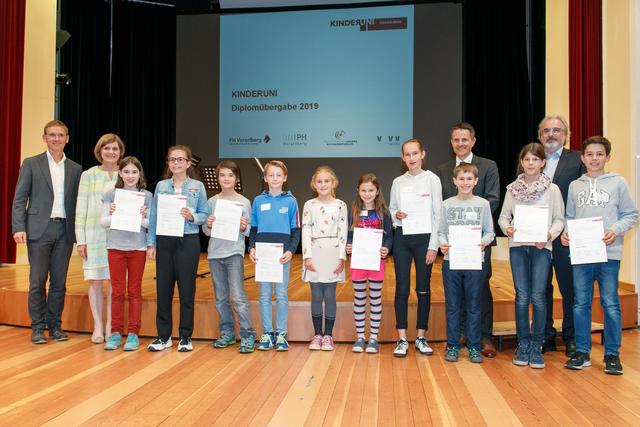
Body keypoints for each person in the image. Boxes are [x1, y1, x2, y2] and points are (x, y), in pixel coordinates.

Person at [562, 136, 638, 375]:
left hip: (609, 254)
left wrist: (614, 230)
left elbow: (631, 215)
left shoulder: (618, 183)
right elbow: (570, 217)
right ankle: (582, 351)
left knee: (610, 303)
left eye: (599, 154)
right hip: (583, 253)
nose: (594, 159)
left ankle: (612, 355)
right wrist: (567, 233)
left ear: (607, 157)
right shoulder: (575, 185)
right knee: (580, 303)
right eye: (590, 154)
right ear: (583, 158)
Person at [12, 120, 82, 344]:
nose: (56, 139)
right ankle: (37, 327)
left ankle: (55, 326)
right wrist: (18, 227)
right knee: (37, 281)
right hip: (38, 230)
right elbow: (19, 199)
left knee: (59, 282)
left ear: (67, 138)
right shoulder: (32, 164)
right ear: (44, 138)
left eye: (60, 135)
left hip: (64, 230)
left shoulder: (75, 168)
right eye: (52, 135)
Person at [435, 122, 500, 357]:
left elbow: (492, 199)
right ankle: (459, 335)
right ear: (451, 143)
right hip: (453, 247)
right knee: (455, 293)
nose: (460, 144)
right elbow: (441, 206)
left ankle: (483, 337)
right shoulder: (442, 169)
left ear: (473, 141)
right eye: (456, 140)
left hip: (477, 243)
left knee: (480, 288)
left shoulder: (488, 166)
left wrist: (471, 230)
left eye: (465, 139)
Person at [498, 143, 565, 369]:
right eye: (526, 159)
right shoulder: (512, 189)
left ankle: (537, 345)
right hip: (518, 246)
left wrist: (549, 234)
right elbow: (503, 217)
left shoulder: (552, 189)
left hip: (540, 248)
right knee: (521, 296)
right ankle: (523, 343)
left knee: (537, 296)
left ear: (543, 162)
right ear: (522, 162)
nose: (530, 163)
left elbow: (559, 220)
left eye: (535, 160)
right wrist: (507, 228)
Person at [146, 145, 209, 352]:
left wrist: (193, 217)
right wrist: (151, 243)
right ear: (168, 163)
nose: (176, 163)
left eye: (180, 159)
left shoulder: (197, 186)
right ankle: (163, 337)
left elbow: (204, 214)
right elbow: (154, 216)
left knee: (186, 289)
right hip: (165, 240)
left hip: (188, 241)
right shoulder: (161, 186)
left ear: (188, 163)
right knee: (163, 289)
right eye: (172, 159)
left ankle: (185, 337)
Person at [389, 138, 442, 358]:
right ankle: (402, 338)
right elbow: (392, 210)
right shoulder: (398, 182)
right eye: (407, 154)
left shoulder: (432, 180)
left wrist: (433, 246)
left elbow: (437, 214)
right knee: (402, 288)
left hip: (424, 240)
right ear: (403, 158)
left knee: (423, 288)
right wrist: (397, 216)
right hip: (403, 237)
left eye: (414, 153)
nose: (411, 158)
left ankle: (421, 336)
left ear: (423, 154)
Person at [538, 115, 585, 356]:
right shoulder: (531, 158)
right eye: (546, 130)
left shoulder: (577, 160)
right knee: (541, 288)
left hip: (567, 237)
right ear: (540, 135)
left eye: (556, 130)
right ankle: (546, 335)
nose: (551, 134)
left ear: (565, 135)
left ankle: (571, 336)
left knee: (570, 288)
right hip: (539, 237)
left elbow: (583, 198)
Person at [202, 160, 255, 353]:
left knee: (238, 296)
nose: (226, 179)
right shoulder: (211, 202)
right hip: (215, 254)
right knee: (221, 298)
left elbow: (249, 230)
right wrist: (207, 223)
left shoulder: (244, 202)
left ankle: (248, 335)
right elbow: (206, 231)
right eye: (222, 175)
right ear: (217, 178)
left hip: (234, 253)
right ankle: (227, 333)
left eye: (230, 175)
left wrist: (244, 227)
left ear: (236, 178)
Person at [100, 156, 152, 351]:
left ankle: (133, 334)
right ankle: (115, 333)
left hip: (137, 247)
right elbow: (103, 222)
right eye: (126, 172)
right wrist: (113, 213)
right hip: (115, 247)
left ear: (140, 174)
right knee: (118, 291)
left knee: (135, 291)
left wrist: (142, 216)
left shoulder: (146, 196)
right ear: (120, 173)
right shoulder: (111, 194)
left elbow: (149, 225)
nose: (130, 176)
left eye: (134, 172)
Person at [76, 133, 124, 343]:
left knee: (115, 282)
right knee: (95, 281)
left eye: (115, 149)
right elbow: (81, 208)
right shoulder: (89, 175)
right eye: (107, 148)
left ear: (120, 152)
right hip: (94, 235)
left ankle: (110, 325)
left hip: (119, 237)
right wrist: (81, 239)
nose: (111, 152)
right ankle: (97, 326)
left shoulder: (125, 174)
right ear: (100, 151)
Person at [249, 160, 300, 351]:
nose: (275, 178)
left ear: (285, 178)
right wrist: (252, 248)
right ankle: (267, 333)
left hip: (281, 256)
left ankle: (281, 334)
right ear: (265, 177)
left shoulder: (291, 201)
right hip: (263, 255)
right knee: (263, 295)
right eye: (271, 175)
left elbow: (296, 229)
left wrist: (290, 251)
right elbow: (253, 228)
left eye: (279, 175)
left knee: (281, 295)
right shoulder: (258, 200)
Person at [302, 166, 348, 352]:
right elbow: (305, 229)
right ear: (314, 184)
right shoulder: (309, 205)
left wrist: (342, 257)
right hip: (314, 251)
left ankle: (328, 335)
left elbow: (343, 231)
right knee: (316, 295)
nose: (323, 184)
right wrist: (307, 256)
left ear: (333, 183)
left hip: (333, 252)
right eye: (319, 181)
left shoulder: (341, 205)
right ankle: (317, 335)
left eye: (326, 181)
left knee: (329, 295)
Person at [347, 173, 393, 354]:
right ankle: (360, 337)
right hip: (358, 262)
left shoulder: (384, 213)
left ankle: (373, 338)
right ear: (358, 191)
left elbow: (389, 237)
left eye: (371, 190)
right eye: (364, 190)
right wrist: (348, 246)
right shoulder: (354, 212)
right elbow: (350, 235)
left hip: (376, 262)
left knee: (375, 298)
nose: (367, 194)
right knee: (359, 299)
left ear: (377, 191)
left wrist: (386, 249)